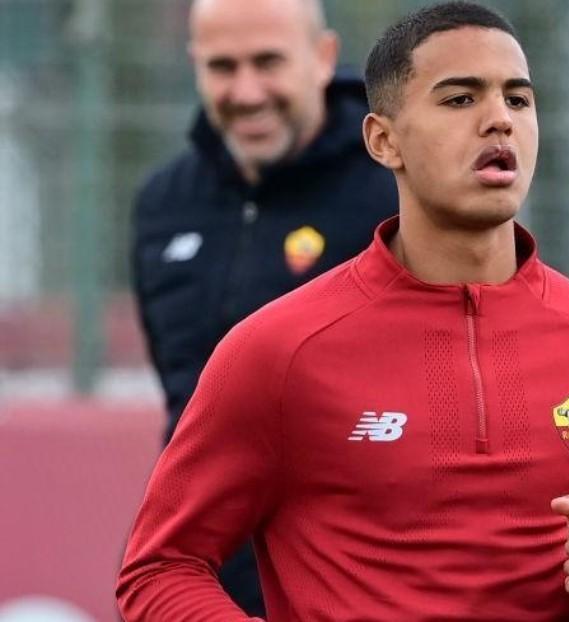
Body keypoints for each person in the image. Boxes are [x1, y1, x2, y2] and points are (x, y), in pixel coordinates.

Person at [118, 2, 569, 620]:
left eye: (518, 100)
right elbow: (159, 570)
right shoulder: (276, 347)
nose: (498, 121)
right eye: (460, 99)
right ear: (384, 140)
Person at [128, 0, 397, 615]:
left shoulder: (396, 190)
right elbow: (182, 404)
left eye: (268, 62)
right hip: (202, 580)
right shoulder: (163, 204)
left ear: (323, 58)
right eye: (222, 67)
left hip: (356, 586)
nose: (246, 92)